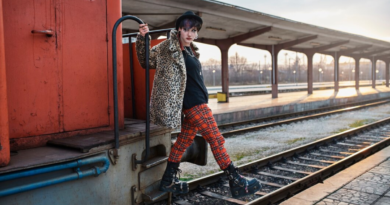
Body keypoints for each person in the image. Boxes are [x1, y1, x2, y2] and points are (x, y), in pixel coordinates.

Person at [136, 11, 261, 198]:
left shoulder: (191, 50)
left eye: (193, 30)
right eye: (185, 29)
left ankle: (167, 180)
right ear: (179, 29)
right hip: (194, 106)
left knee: (183, 142)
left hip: (198, 103)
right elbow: (146, 60)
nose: (189, 33)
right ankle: (235, 180)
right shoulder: (168, 48)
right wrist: (142, 38)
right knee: (216, 139)